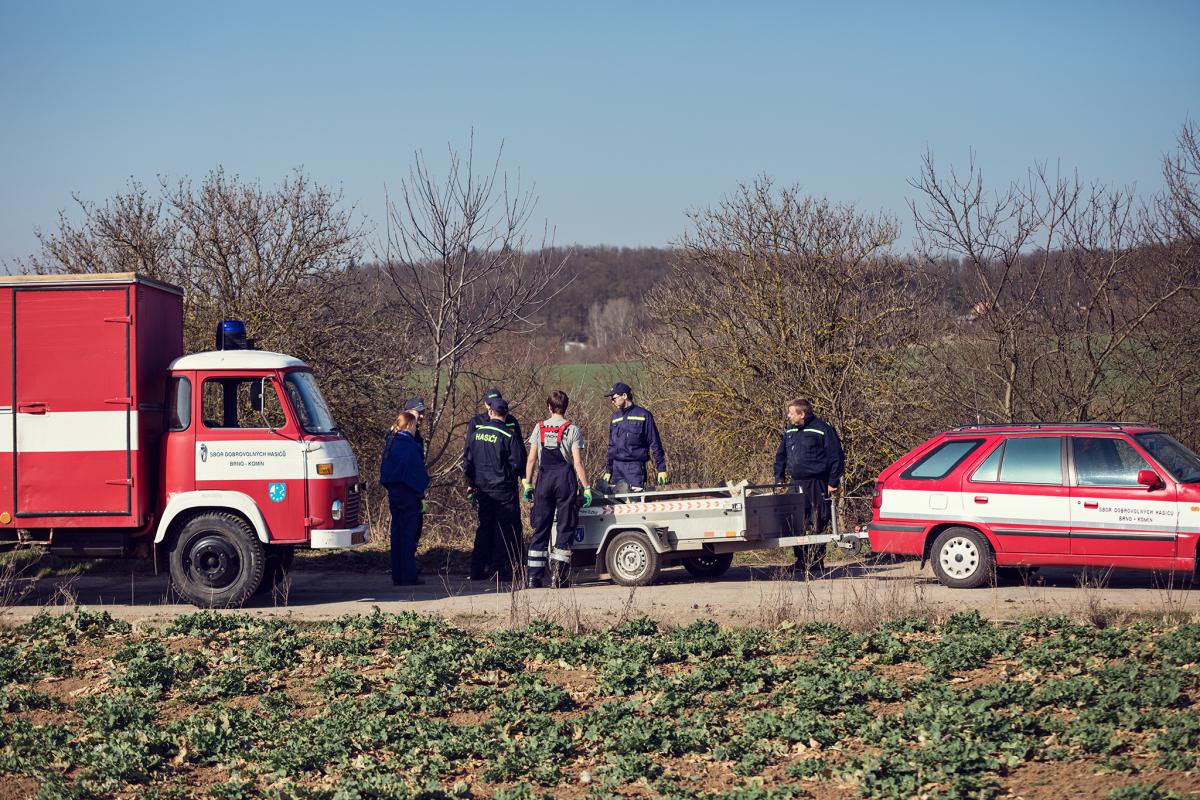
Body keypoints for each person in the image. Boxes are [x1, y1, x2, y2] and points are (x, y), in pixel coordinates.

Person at [522, 390, 591, 588]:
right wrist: (586, 487)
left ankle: (533, 578)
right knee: (565, 526)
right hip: (564, 480)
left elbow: (531, 459)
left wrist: (528, 483)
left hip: (544, 480)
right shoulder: (573, 430)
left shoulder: (539, 427)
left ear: (549, 407)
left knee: (541, 527)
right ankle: (559, 577)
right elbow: (577, 463)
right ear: (565, 407)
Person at [773, 398, 844, 577]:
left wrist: (833, 482)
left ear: (802, 414)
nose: (788, 416)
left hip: (816, 483)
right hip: (795, 483)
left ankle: (816, 561)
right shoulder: (790, 431)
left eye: (791, 413)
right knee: (796, 522)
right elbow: (781, 456)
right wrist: (779, 477)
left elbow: (836, 456)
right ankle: (801, 560)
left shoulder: (822, 429)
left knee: (817, 520)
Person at [464, 397, 524, 581]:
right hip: (503, 489)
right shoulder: (509, 435)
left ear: (490, 412)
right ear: (506, 414)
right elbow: (518, 463)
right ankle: (500, 570)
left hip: (482, 489)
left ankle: (477, 569)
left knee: (484, 527)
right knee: (503, 529)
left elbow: (468, 463)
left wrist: (471, 483)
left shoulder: (476, 435)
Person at [380, 410, 429, 586]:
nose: (416, 429)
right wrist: (420, 491)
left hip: (394, 492)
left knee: (397, 533)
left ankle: (397, 574)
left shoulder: (390, 442)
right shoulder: (410, 445)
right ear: (409, 425)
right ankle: (408, 575)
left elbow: (384, 470)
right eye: (414, 425)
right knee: (408, 534)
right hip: (408, 493)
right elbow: (417, 471)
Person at [603, 382, 668, 492]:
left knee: (635, 500)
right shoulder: (615, 418)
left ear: (624, 396)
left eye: (614, 398)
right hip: (617, 469)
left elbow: (655, 442)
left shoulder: (643, 415)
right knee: (617, 502)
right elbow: (611, 446)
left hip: (635, 468)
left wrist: (661, 469)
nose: (612, 401)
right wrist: (609, 470)